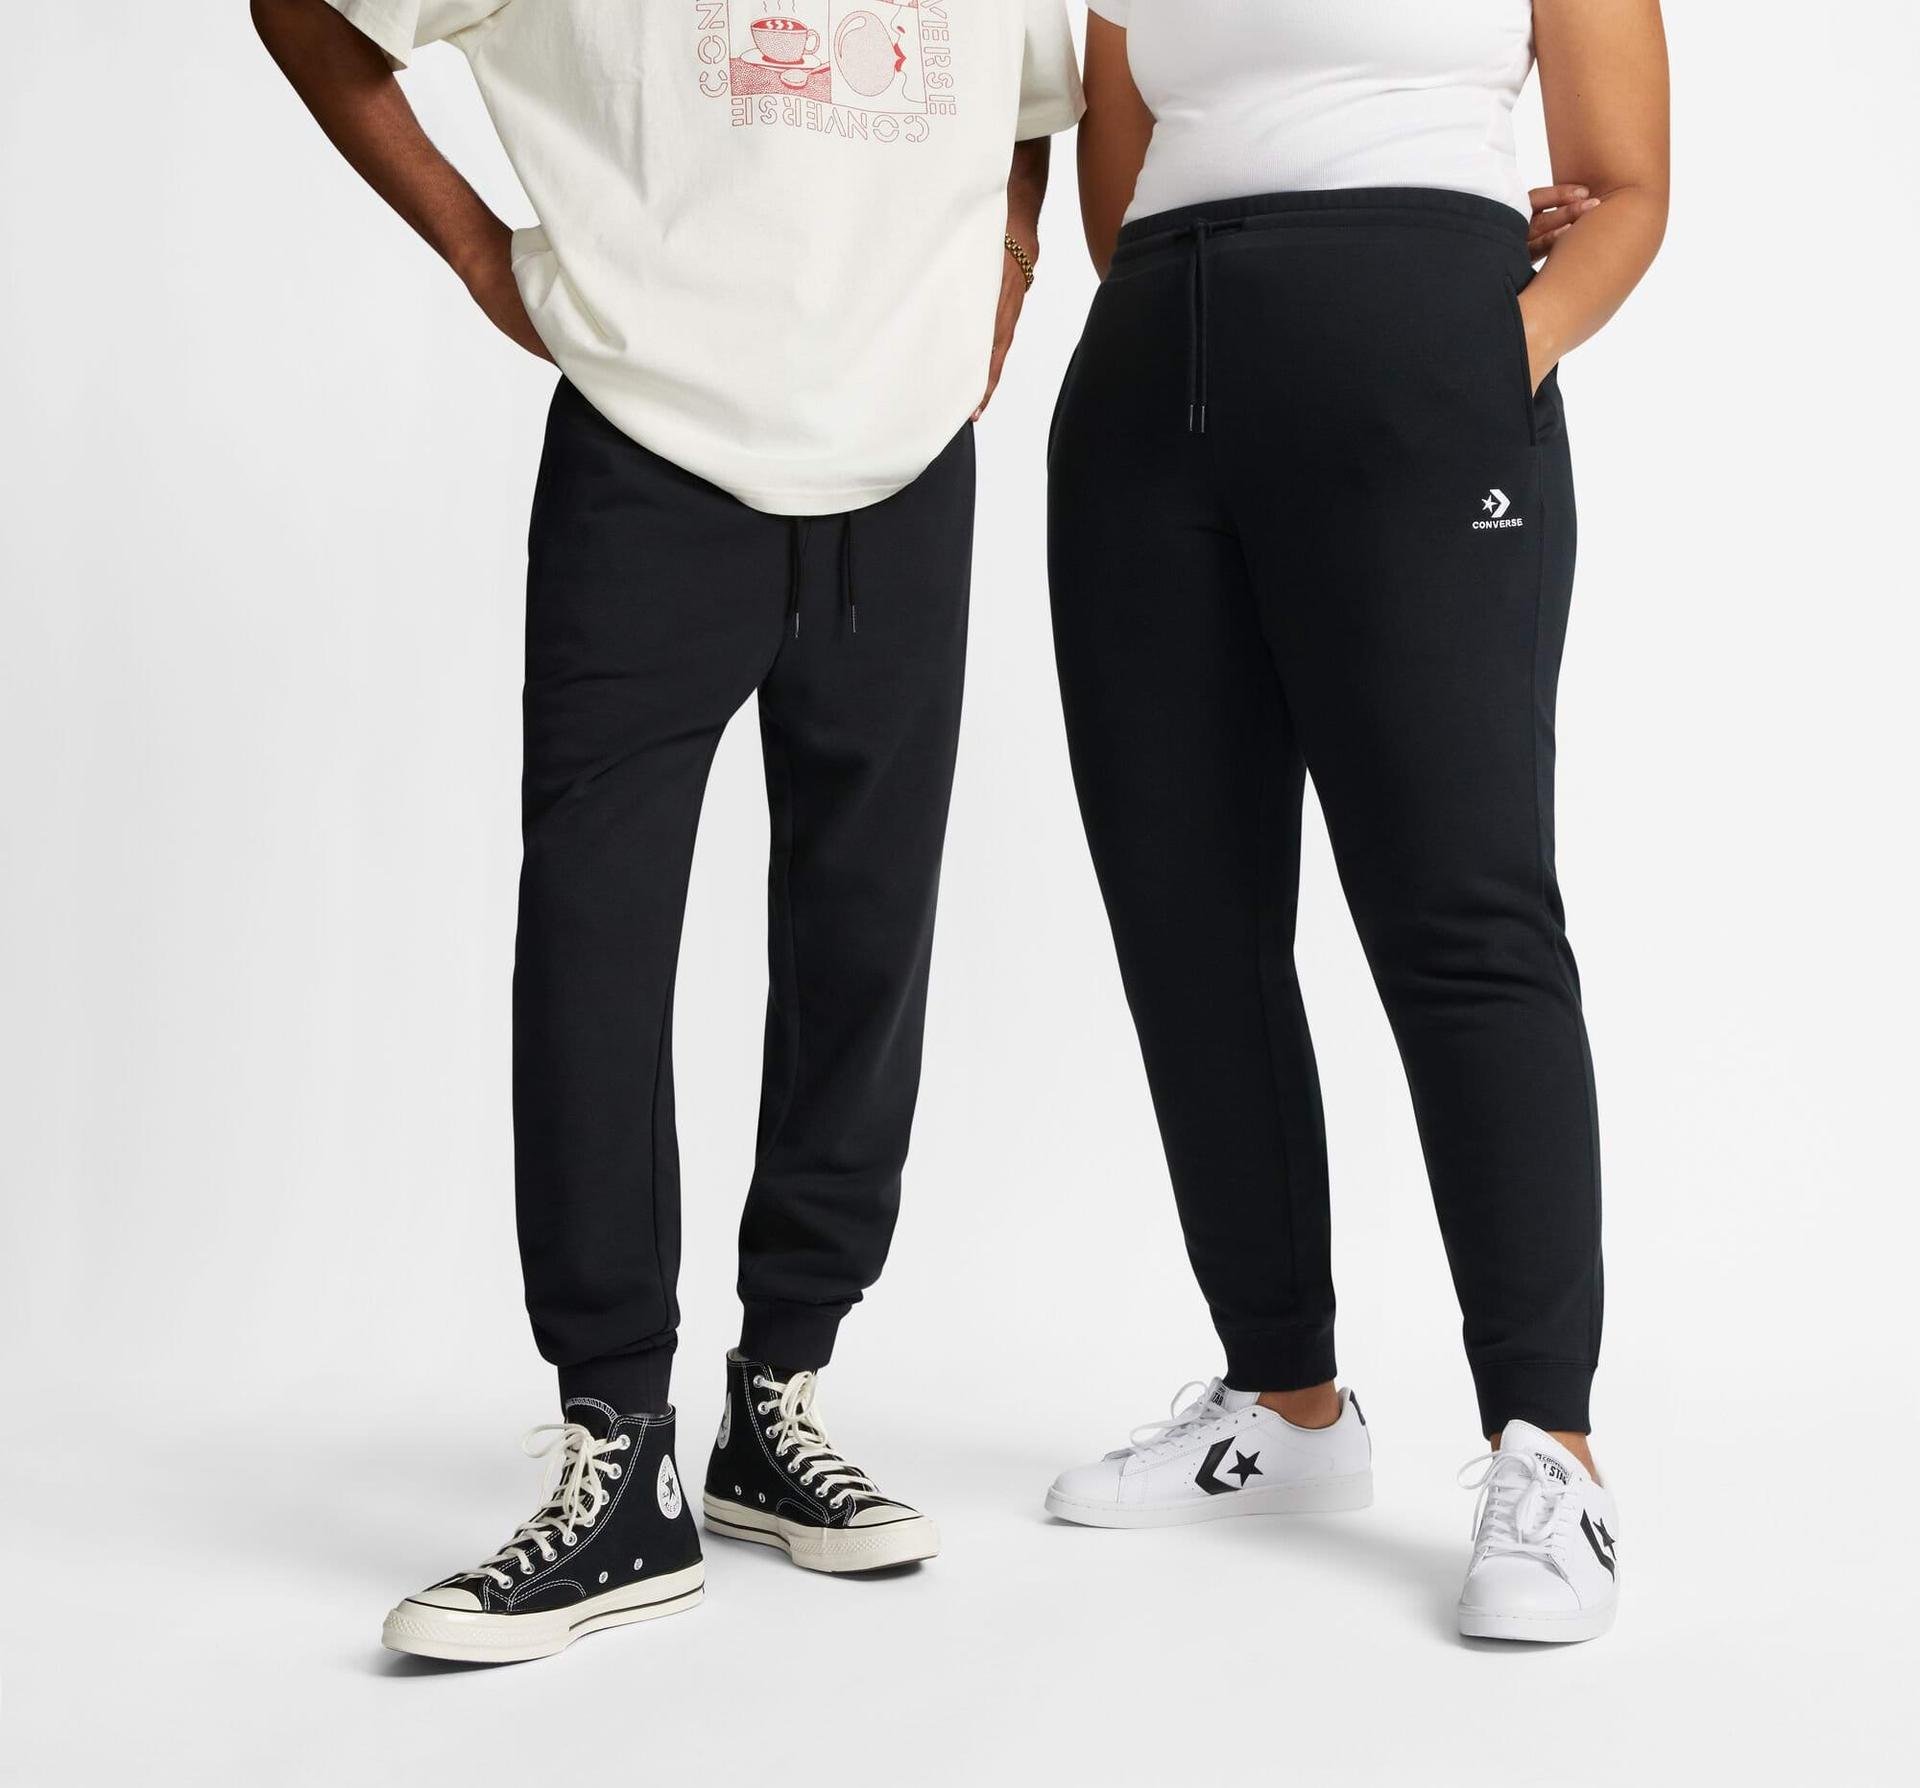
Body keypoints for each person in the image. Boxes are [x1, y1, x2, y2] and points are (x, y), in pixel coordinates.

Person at [251, 0, 1082, 1662]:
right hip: (651, 445)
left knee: (866, 933)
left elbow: (1030, 98)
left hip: (906, 468)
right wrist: (476, 250)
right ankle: (617, 1438)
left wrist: (1005, 263)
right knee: (598, 939)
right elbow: (310, 15)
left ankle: (781, 1397)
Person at [1043, 0, 1668, 1645]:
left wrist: (1484, 351)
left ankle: (1552, 1447)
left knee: (1461, 910)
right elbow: (1121, 183)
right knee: (1185, 914)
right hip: (1150, 390)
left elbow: (1627, 185)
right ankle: (1285, 1402)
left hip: (1419, 377)